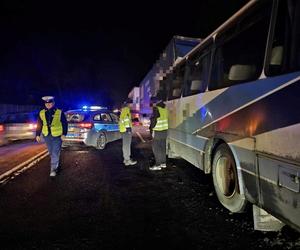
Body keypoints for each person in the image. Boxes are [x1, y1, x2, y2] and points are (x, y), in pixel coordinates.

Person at [36, 96, 68, 177]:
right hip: (47, 135)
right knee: (51, 152)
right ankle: (56, 165)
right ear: (45, 104)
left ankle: (53, 170)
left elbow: (64, 123)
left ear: (53, 103)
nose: (48, 104)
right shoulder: (41, 112)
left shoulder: (59, 112)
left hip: (57, 135)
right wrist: (37, 134)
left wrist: (64, 133)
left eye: (50, 103)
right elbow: (39, 124)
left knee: (55, 152)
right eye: (46, 103)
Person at [149, 95, 168, 171]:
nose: (151, 105)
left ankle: (158, 164)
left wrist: (151, 129)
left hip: (158, 131)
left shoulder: (156, 109)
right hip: (164, 131)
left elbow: (154, 121)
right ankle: (163, 163)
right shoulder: (164, 109)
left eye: (152, 103)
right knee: (163, 147)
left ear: (154, 103)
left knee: (156, 148)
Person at [118, 99, 137, 166]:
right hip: (126, 131)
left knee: (125, 145)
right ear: (128, 105)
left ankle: (125, 159)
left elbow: (123, 120)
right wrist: (128, 129)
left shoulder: (123, 110)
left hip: (123, 130)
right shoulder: (126, 110)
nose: (131, 105)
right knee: (127, 145)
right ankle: (127, 160)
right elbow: (126, 120)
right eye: (130, 104)